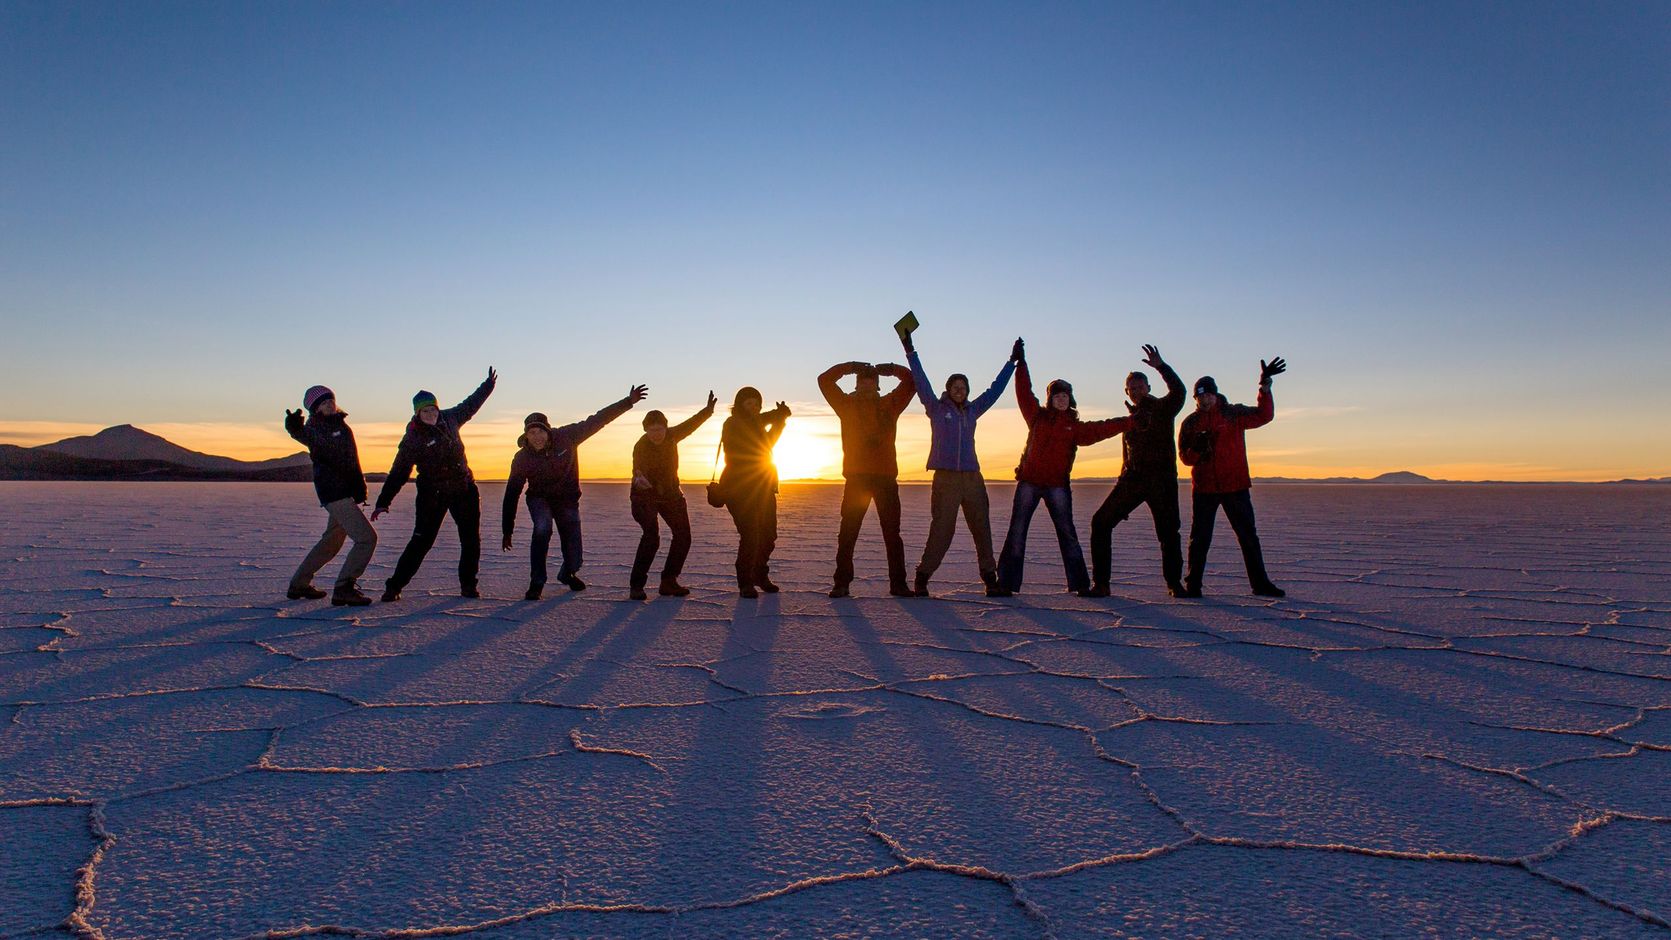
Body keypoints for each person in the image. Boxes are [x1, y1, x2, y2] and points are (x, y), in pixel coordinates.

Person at [996, 339, 1123, 594]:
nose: (1062, 399)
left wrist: (1128, 422)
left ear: (1070, 399)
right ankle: (1006, 583)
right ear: (1050, 399)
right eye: (1057, 396)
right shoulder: (1037, 417)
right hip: (1029, 482)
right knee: (1017, 531)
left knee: (1067, 533)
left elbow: (1101, 428)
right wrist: (1021, 363)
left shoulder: (1074, 427)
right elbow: (1024, 392)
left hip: (1057, 486)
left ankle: (1080, 584)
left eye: (1065, 396)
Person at [502, 385, 649, 600]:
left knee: (573, 546)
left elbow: (598, 420)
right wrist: (507, 529)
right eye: (532, 433)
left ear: (548, 431)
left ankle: (568, 572)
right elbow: (512, 492)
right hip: (539, 498)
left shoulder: (567, 436)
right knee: (542, 528)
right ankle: (537, 582)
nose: (537, 437)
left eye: (540, 431)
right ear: (526, 435)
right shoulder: (522, 458)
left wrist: (628, 402)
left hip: (567, 499)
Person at [900, 330, 1017, 597]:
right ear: (948, 390)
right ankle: (922, 576)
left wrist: (1011, 363)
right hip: (946, 479)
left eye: (963, 388)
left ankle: (990, 579)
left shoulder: (974, 410)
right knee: (942, 530)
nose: (959, 391)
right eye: (955, 387)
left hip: (973, 478)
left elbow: (995, 390)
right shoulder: (936, 409)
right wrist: (910, 351)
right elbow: (921, 381)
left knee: (982, 529)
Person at [372, 368, 497, 601]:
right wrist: (383, 501)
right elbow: (399, 472)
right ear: (417, 413)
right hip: (432, 494)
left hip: (463, 489)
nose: (431, 414)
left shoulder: (450, 418)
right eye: (425, 411)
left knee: (470, 539)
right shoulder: (412, 438)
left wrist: (487, 386)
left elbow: (471, 405)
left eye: (433, 409)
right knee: (422, 540)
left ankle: (468, 585)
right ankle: (395, 586)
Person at [1177, 357, 1288, 598]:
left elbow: (1263, 415)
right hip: (1205, 489)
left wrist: (1265, 388)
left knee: (1248, 537)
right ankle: (1193, 585)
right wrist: (1198, 450)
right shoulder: (1190, 423)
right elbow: (1184, 458)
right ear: (1195, 399)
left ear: (1215, 394)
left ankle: (1260, 584)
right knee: (1200, 539)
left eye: (1208, 395)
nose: (1205, 400)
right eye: (1200, 397)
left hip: (1235, 486)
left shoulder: (1233, 414)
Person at [1085, 345, 1188, 598]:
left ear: (1148, 388)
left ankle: (1174, 584)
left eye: (1140, 387)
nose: (1136, 392)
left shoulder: (1163, 409)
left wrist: (1161, 366)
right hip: (1133, 480)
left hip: (1162, 481)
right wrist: (1122, 480)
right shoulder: (1130, 419)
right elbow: (1127, 456)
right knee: (1101, 522)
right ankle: (1101, 584)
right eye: (1132, 389)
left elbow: (1179, 392)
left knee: (1168, 532)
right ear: (1127, 392)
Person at [818, 359, 916, 598]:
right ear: (856, 384)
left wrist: (890, 369)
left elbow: (912, 381)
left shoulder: (890, 404)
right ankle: (841, 583)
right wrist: (851, 366)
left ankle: (898, 584)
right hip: (857, 479)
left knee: (892, 534)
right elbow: (824, 380)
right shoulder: (846, 405)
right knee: (848, 533)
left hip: (885, 479)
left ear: (877, 385)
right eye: (863, 380)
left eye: (871, 381)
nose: (867, 384)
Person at [283, 386, 376, 606]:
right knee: (366, 539)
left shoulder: (341, 426)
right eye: (323, 403)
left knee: (332, 542)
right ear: (315, 409)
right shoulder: (316, 428)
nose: (329, 405)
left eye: (330, 401)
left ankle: (299, 584)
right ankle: (344, 588)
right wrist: (294, 428)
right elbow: (306, 436)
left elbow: (352, 461)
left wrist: (359, 488)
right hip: (334, 492)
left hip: (344, 492)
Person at [626, 391, 715, 600]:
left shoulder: (673, 435)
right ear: (646, 430)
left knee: (683, 536)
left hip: (671, 495)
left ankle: (669, 581)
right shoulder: (641, 447)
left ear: (666, 428)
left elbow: (691, 424)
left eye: (660, 429)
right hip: (644, 496)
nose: (656, 434)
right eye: (652, 430)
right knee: (651, 537)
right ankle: (636, 586)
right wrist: (648, 484)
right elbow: (640, 473)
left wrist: (708, 411)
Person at [719, 387, 791, 598]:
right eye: (748, 403)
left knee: (768, 534)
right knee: (750, 535)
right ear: (740, 404)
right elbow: (760, 442)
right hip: (739, 488)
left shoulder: (757, 422)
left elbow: (767, 441)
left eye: (756, 404)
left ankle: (760, 574)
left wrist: (779, 420)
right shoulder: (732, 424)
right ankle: (745, 582)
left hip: (763, 486)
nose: (753, 407)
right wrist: (777, 417)